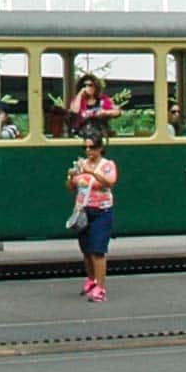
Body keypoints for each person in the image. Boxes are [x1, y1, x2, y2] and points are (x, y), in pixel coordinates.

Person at [66, 129, 118, 303]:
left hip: (102, 211)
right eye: (86, 147)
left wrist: (91, 171)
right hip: (84, 210)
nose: (88, 151)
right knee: (86, 250)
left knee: (98, 250)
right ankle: (92, 280)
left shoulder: (107, 165)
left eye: (92, 147)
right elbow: (71, 186)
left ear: (100, 148)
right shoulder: (80, 164)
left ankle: (101, 288)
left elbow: (110, 182)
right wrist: (71, 176)